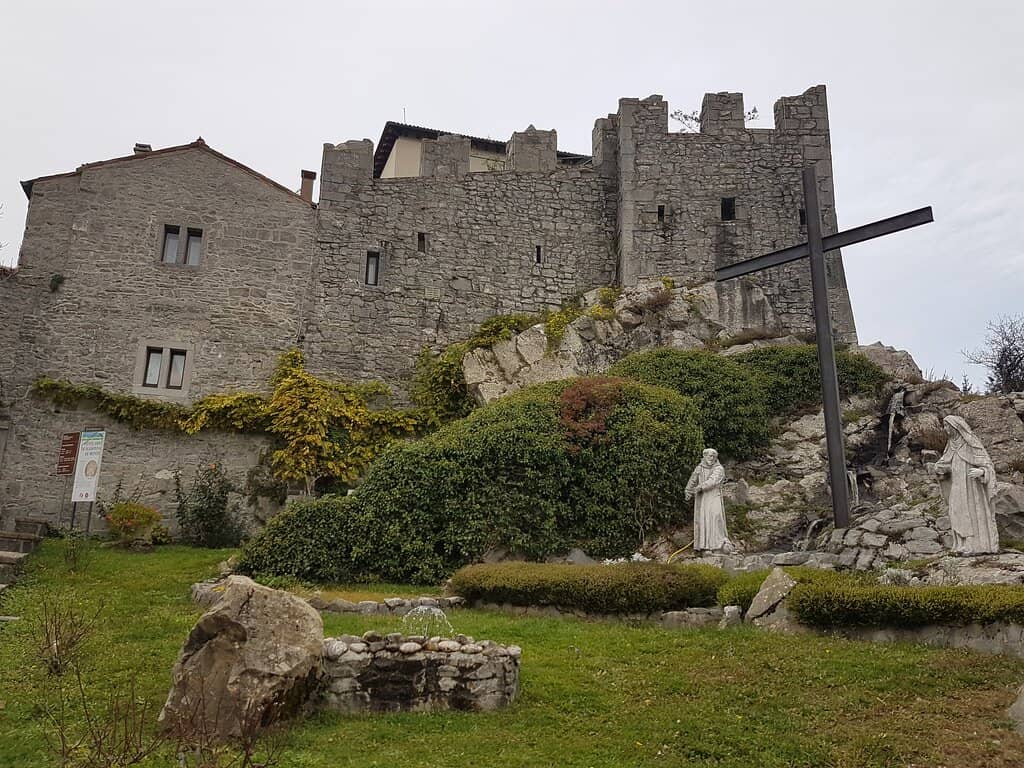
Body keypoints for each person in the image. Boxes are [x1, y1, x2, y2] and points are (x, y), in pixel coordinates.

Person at [932, 415, 999, 555]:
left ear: (956, 427)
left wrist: (982, 471)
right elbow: (945, 462)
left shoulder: (971, 443)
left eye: (947, 426)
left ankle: (974, 545)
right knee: (956, 512)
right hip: (957, 486)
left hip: (972, 487)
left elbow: (988, 465)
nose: (945, 429)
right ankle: (960, 544)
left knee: (971, 512)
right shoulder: (951, 445)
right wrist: (940, 469)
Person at [685, 448, 733, 553]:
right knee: (704, 520)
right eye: (709, 456)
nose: (711, 458)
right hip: (703, 499)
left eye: (713, 456)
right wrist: (688, 491)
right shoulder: (700, 468)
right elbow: (693, 479)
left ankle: (717, 544)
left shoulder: (719, 469)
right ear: (704, 456)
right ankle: (706, 546)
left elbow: (713, 481)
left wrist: (700, 487)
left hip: (714, 496)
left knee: (716, 518)